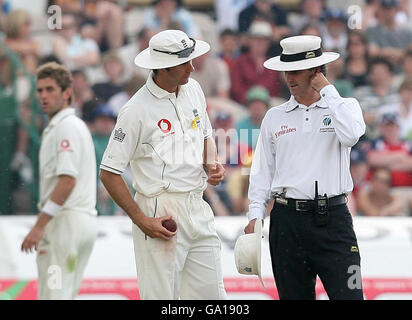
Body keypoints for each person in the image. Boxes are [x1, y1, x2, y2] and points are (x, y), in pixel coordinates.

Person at [99, 30, 227, 300]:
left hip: (197, 204)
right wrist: (141, 219)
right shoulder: (135, 110)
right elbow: (109, 172)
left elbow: (205, 133)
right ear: (163, 67)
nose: (192, 67)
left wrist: (212, 162)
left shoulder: (193, 89)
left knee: (212, 298)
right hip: (160, 209)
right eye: (185, 63)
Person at [244, 35, 366, 300]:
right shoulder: (274, 116)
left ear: (315, 72)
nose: (289, 78)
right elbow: (262, 171)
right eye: (286, 71)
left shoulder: (345, 107)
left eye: (296, 71)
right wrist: (255, 214)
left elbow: (352, 135)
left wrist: (328, 91)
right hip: (287, 222)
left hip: (333, 219)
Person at [20, 62, 98, 299]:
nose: (43, 96)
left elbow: (67, 181)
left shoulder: (65, 128)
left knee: (54, 295)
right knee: (64, 294)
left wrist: (40, 225)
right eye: (40, 90)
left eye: (50, 89)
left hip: (65, 224)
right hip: (79, 222)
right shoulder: (69, 126)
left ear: (66, 93)